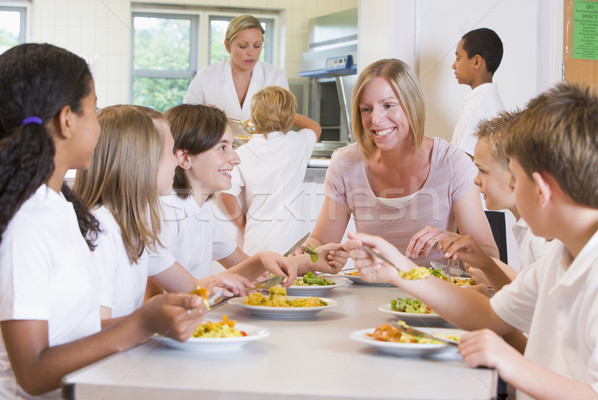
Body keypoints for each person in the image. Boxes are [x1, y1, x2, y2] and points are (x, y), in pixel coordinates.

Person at [346, 83, 598, 400]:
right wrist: (398, 270)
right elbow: (486, 314)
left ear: (541, 190)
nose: (509, 186)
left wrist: (510, 363)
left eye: (515, 178)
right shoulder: (560, 254)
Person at [0, 43, 205, 399]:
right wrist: (141, 323)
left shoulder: (60, 205)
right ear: (67, 120)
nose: (99, 125)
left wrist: (154, 320)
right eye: (93, 111)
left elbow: (75, 329)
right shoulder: (26, 222)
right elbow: (32, 373)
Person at [298, 58, 498, 265]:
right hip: (368, 291)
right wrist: (301, 256)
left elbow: (490, 256)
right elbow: (322, 241)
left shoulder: (453, 162)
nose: (376, 119)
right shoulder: (345, 163)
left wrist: (454, 241)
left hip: (437, 293)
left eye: (388, 105)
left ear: (412, 105)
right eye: (366, 109)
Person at [73, 105, 261, 319]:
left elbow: (191, 290)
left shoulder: (137, 226)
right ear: (137, 161)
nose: (175, 160)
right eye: (167, 152)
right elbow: (96, 331)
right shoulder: (101, 231)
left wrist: (214, 286)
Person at [147, 104, 343, 293]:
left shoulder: (200, 209)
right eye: (222, 148)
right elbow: (162, 298)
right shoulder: (165, 213)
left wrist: (309, 261)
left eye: (232, 146)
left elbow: (253, 271)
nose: (236, 158)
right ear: (184, 158)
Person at [440, 110, 548, 292]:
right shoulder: (526, 229)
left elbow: (539, 308)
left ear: (516, 172)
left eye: (483, 171)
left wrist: (497, 271)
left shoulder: (541, 237)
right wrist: (487, 266)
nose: (476, 180)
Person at [220, 85, 321, 255]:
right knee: (296, 281)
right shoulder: (298, 143)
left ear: (253, 117)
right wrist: (287, 114)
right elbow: (315, 127)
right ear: (289, 116)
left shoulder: (242, 153)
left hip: (257, 239)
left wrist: (241, 224)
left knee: (260, 281)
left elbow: (226, 194)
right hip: (294, 241)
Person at [184, 15, 288, 129]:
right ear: (228, 46)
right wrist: (203, 116)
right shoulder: (205, 76)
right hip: (218, 145)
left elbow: (285, 120)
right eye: (243, 46)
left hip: (263, 146)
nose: (251, 52)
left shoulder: (276, 76)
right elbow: (187, 119)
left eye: (257, 46)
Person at [451, 27, 504, 158]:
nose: (453, 65)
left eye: (458, 58)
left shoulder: (476, 106)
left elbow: (463, 164)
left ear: (476, 62)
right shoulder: (490, 98)